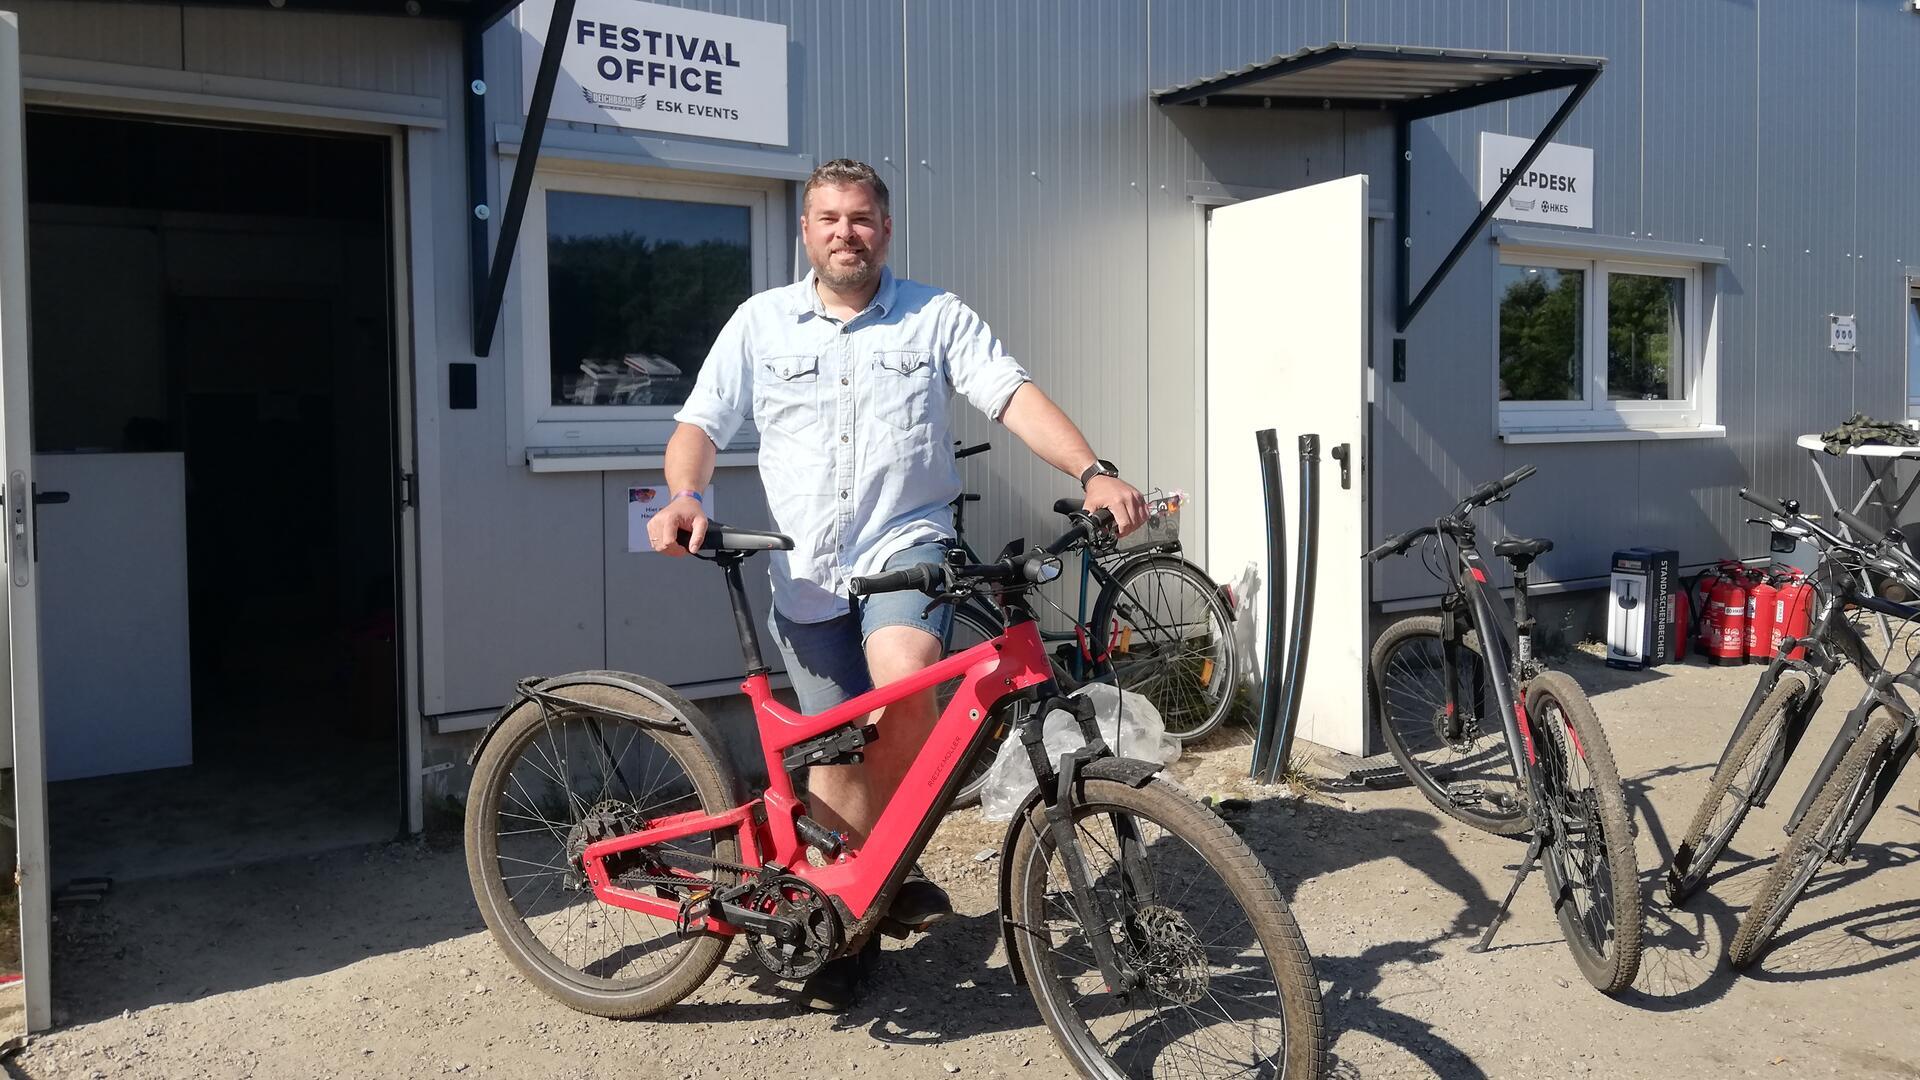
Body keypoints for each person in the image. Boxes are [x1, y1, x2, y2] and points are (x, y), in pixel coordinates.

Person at [648, 158, 1146, 1009]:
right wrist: (686, 495)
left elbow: (1010, 394)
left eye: (863, 218)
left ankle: (883, 853)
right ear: (806, 232)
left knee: (905, 681)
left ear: (886, 229)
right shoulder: (761, 323)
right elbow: (699, 421)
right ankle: (851, 912)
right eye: (830, 218)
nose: (847, 232)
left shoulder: (932, 315)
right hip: (802, 568)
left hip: (905, 547)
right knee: (835, 750)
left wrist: (1095, 469)